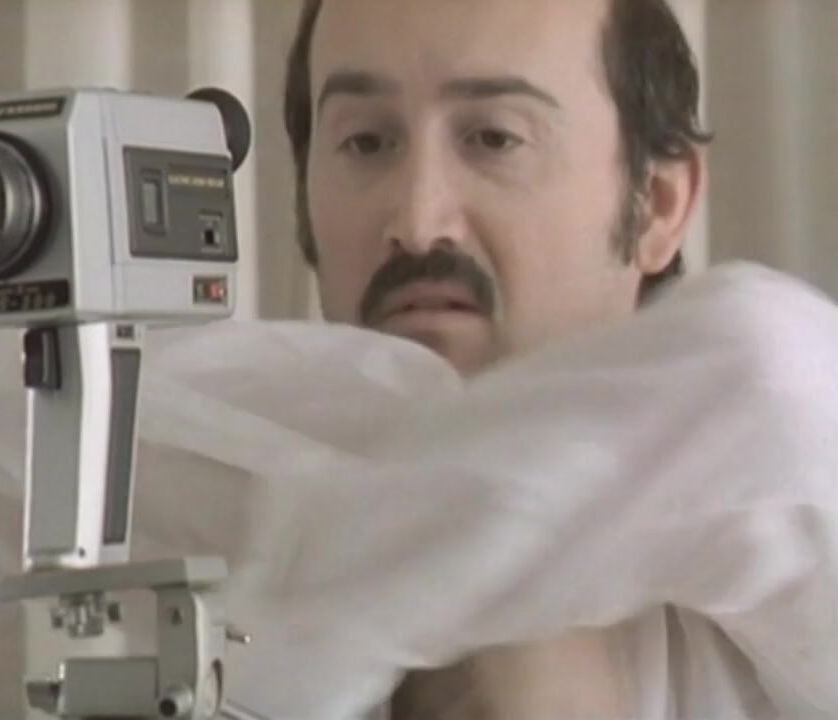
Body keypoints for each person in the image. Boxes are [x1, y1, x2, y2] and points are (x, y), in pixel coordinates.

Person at [134, 0, 833, 717]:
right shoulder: (182, 473)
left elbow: (769, 372)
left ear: (656, 204)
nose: (417, 223)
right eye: (366, 142)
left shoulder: (786, 512)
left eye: (494, 139)